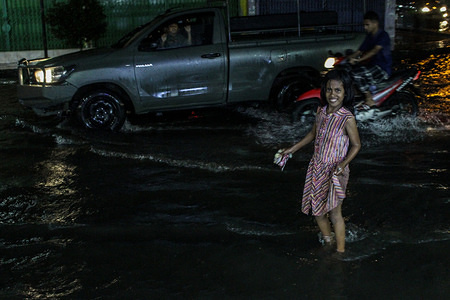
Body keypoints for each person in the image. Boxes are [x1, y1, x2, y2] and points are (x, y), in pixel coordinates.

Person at [282, 69, 361, 254]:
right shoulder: (321, 111)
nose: (332, 94)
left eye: (337, 90)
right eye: (329, 90)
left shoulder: (346, 118)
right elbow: (313, 134)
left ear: (345, 92)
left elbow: (356, 145)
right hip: (317, 167)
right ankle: (329, 242)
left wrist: (342, 164)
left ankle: (340, 251)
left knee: (334, 213)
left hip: (336, 170)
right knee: (317, 211)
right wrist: (292, 149)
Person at [348, 11, 392, 108]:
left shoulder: (383, 35)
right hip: (372, 66)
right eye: (364, 25)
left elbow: (374, 50)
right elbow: (360, 50)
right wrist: (347, 58)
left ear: (375, 23)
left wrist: (358, 60)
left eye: (367, 25)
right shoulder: (369, 36)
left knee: (356, 73)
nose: (365, 27)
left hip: (382, 68)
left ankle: (369, 98)